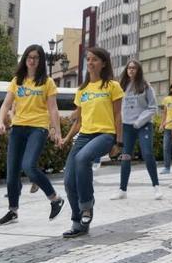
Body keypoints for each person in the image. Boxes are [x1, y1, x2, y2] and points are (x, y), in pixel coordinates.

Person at [0, 45, 65, 225]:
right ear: (24, 59)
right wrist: (0, 122)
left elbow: (53, 108)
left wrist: (56, 130)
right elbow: (6, 105)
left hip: (38, 128)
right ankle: (13, 211)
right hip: (18, 128)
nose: (32, 60)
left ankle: (55, 199)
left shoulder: (47, 82)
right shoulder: (17, 81)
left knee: (29, 166)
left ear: (41, 61)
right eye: (29, 57)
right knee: (11, 172)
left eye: (36, 57)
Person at [59, 47, 124, 238]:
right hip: (84, 136)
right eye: (88, 59)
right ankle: (78, 224)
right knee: (69, 181)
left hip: (105, 134)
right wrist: (66, 139)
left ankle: (87, 206)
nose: (90, 63)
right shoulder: (82, 90)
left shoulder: (112, 86)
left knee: (82, 159)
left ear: (103, 63)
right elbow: (79, 121)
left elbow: (118, 115)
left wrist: (118, 143)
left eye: (94, 59)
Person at [112, 60, 161, 201]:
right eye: (129, 68)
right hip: (127, 126)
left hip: (143, 125)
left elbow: (153, 107)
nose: (131, 70)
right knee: (126, 157)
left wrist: (139, 121)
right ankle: (122, 190)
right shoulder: (121, 86)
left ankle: (156, 187)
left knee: (147, 153)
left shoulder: (146, 86)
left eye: (134, 68)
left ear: (138, 70)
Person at [159, 82, 172, 175]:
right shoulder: (166, 99)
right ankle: (167, 167)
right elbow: (164, 113)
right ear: (171, 89)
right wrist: (162, 123)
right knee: (166, 147)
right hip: (168, 127)